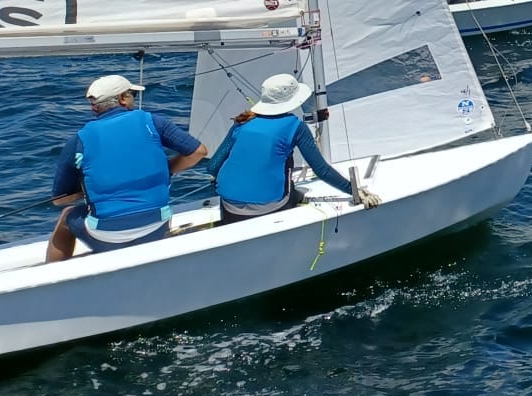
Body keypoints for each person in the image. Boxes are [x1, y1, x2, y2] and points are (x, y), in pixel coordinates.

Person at [47, 75, 209, 261]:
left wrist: (88, 190)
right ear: (123, 99)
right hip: (157, 226)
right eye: (131, 94)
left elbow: (59, 200)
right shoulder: (154, 122)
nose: (134, 98)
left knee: (67, 215)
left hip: (107, 236)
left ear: (94, 106)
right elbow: (198, 152)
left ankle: (53, 273)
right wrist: (167, 169)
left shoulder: (79, 140)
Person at [203, 74, 379, 223]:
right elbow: (321, 170)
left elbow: (212, 167)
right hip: (268, 206)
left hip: (229, 207)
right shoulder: (295, 126)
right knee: (292, 180)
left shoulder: (242, 122)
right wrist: (354, 191)